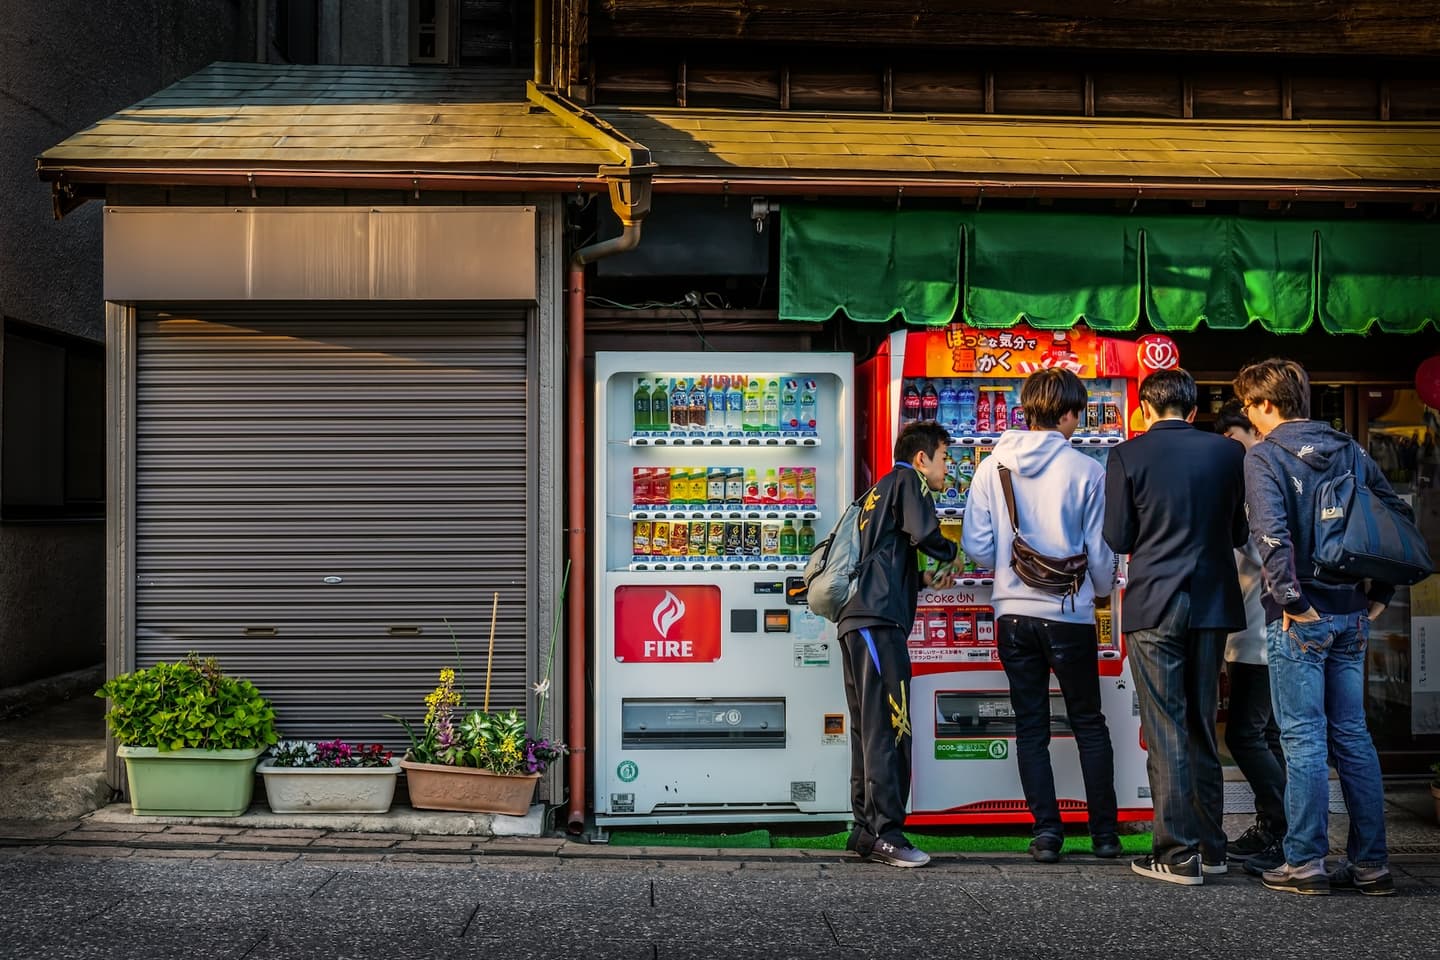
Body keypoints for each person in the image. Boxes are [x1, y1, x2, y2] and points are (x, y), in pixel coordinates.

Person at [1234, 358, 1403, 896]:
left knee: (1304, 740)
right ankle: (1371, 864)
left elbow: (1271, 536)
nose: (1245, 413)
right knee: (1353, 737)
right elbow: (1393, 516)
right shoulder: (1349, 449)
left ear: (1265, 404)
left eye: (1246, 404)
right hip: (1351, 611)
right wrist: (1380, 594)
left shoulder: (1265, 456)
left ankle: (1305, 861)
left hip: (1300, 616)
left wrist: (1290, 600)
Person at [962, 368, 1121, 864]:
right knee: (1089, 723)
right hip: (1068, 616)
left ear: (1027, 410)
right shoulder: (1087, 471)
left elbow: (976, 545)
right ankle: (1104, 836)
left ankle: (1047, 833)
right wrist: (1099, 593)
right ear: (1071, 414)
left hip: (1012, 617)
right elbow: (1099, 553)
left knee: (1031, 726)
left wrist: (1007, 572)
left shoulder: (993, 466)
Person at [1103, 368, 1247, 886]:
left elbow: (1118, 537)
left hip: (1155, 602)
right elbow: (1238, 531)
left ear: (1145, 409)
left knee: (1166, 730)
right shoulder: (1229, 453)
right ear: (1193, 411)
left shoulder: (1127, 454)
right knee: (1202, 727)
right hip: (1212, 601)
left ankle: (1176, 853)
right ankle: (1213, 848)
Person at [837, 419, 958, 868]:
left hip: (859, 619)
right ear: (923, 458)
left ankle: (865, 830)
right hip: (877, 622)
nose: (948, 469)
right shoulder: (909, 479)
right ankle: (888, 832)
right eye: (945, 459)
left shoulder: (878, 489)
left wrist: (922, 578)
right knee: (892, 725)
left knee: (866, 728)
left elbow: (888, 555)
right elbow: (926, 535)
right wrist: (954, 552)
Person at [1213, 400, 1287, 869]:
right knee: (1272, 734)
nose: (1231, 447)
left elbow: (1264, 554)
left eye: (1236, 436)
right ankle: (1276, 829)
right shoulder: (1262, 480)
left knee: (1243, 735)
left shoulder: (1257, 486)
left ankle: (1284, 828)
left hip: (1260, 632)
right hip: (1263, 629)